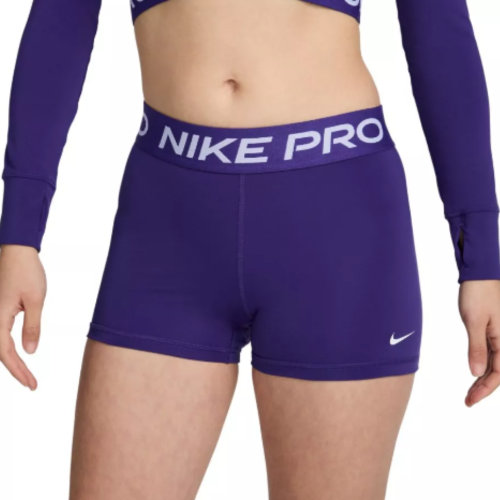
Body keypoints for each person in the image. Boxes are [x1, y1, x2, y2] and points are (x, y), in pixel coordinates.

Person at [0, 0, 499, 498]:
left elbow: (438, 32)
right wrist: (19, 234)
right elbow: (61, 17)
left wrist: (483, 259)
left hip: (334, 226)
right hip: (166, 227)